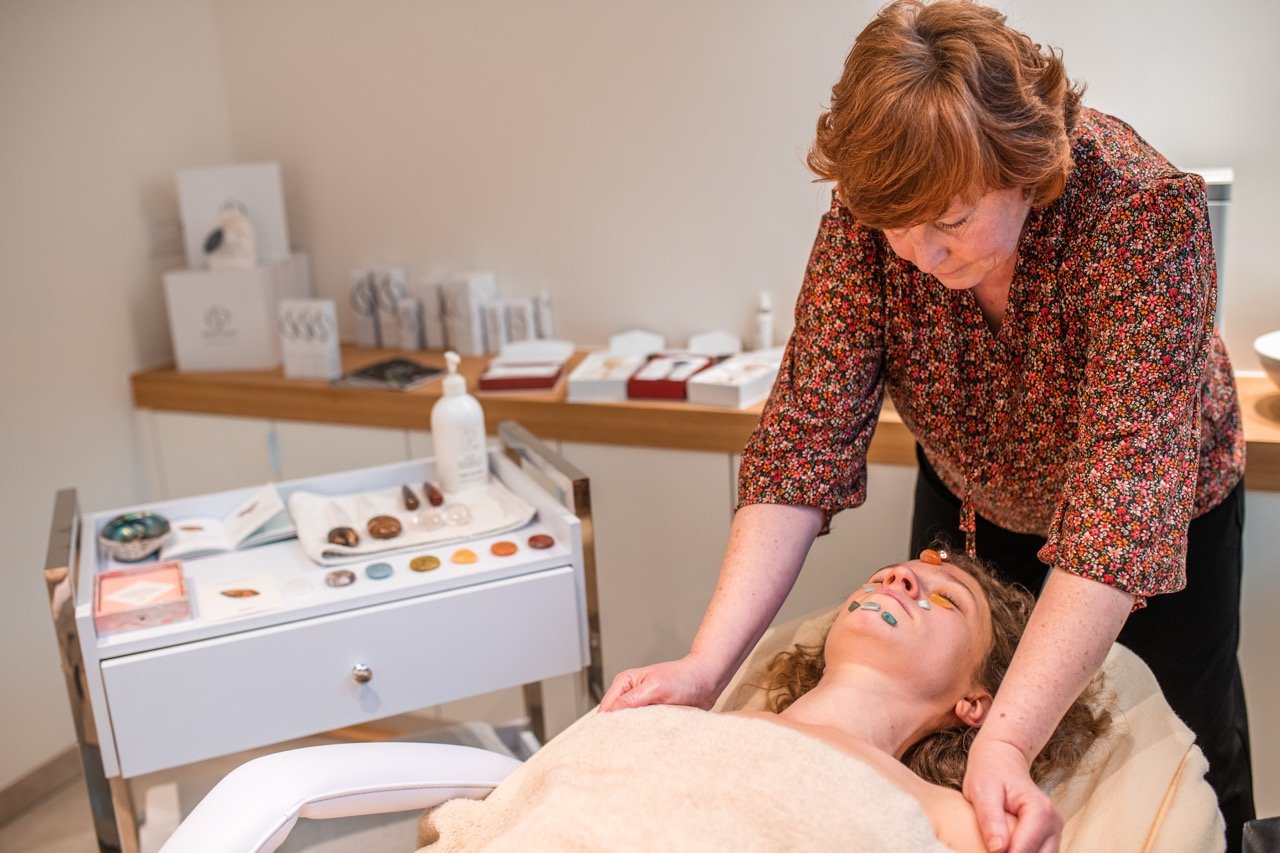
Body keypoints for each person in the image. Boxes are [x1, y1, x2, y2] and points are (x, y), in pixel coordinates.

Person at [599, 2, 1252, 850]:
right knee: (946, 745)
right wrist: (703, 668)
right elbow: (802, 445)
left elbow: (1118, 521)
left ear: (1026, 168)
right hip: (972, 500)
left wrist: (1008, 738)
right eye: (896, 228)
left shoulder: (1138, 216)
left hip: (1150, 535)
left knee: (1177, 748)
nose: (921, 255)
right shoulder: (875, 217)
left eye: (951, 221)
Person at [421, 553, 1110, 851]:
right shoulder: (676, 723)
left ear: (977, 700)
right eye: (892, 573)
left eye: (945, 597)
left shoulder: (952, 814)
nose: (901, 576)